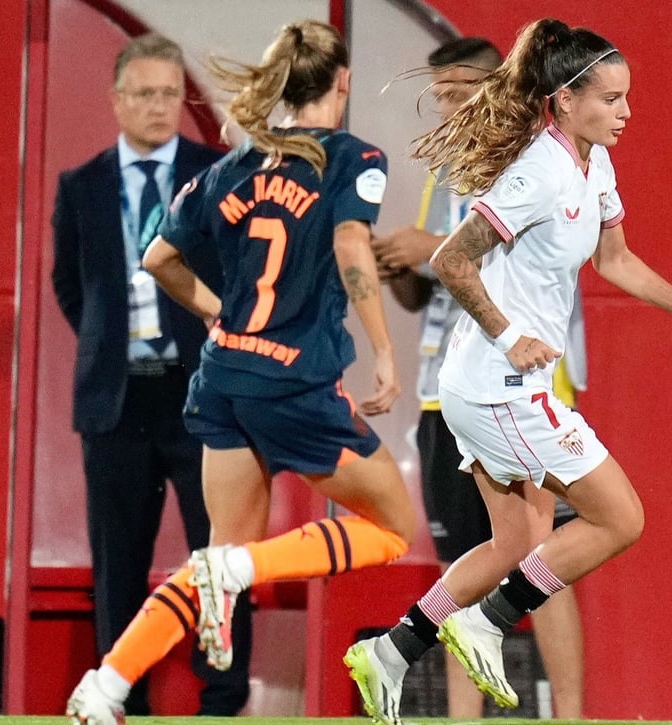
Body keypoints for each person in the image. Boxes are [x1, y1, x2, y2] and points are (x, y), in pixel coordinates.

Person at [344, 18, 672, 725]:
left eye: (627, 98)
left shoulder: (594, 163)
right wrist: (510, 336)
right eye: (611, 99)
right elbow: (450, 259)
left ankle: (391, 649)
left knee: (510, 543)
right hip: (498, 385)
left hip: (493, 386)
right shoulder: (538, 171)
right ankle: (487, 622)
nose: (626, 113)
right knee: (621, 516)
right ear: (564, 100)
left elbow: (615, 259)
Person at [64, 20, 417, 724]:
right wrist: (382, 347)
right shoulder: (353, 156)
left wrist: (218, 311)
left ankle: (103, 686)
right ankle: (243, 570)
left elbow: (159, 259)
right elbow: (351, 241)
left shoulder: (228, 171)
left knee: (217, 554)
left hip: (221, 378)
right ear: (341, 85)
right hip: (295, 380)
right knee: (392, 526)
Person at [374, 35, 586, 719]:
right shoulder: (451, 168)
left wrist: (429, 253)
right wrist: (404, 268)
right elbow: (434, 290)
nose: (451, 104)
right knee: (473, 558)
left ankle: (572, 712)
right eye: (441, 94)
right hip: (449, 387)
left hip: (523, 383)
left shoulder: (535, 155)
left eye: (463, 90)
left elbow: (515, 260)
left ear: (500, 84)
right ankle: (463, 717)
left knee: (544, 556)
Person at [50, 32, 250, 717]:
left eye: (171, 92)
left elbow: (240, 275)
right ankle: (118, 695)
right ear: (117, 101)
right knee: (118, 562)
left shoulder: (220, 170)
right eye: (146, 93)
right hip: (116, 396)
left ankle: (223, 696)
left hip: (202, 390)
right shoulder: (82, 185)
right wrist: (115, 346)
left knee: (217, 553)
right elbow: (72, 288)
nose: (160, 106)